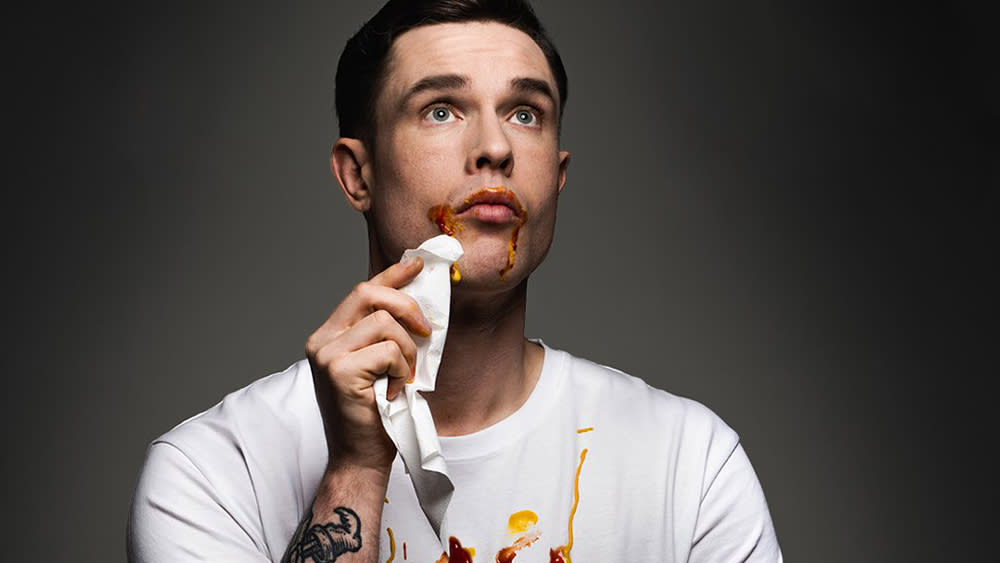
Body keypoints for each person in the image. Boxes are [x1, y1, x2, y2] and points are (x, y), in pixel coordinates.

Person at [127, 1, 782, 561]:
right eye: (441, 109)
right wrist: (355, 469)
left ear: (556, 176)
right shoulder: (210, 470)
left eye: (525, 112)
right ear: (358, 174)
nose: (494, 146)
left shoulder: (689, 463)